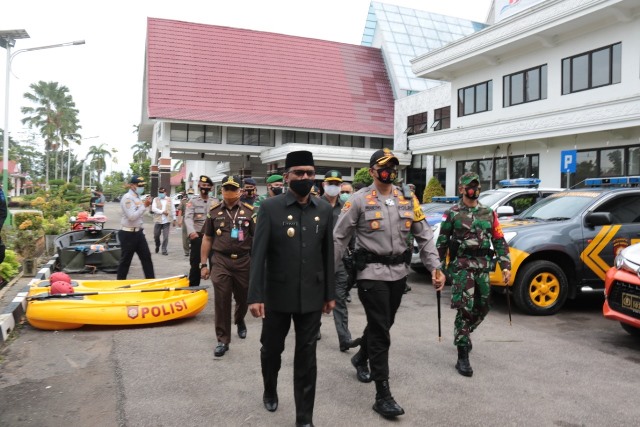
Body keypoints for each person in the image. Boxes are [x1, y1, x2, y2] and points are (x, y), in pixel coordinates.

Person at [333, 148, 444, 418]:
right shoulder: (358, 200)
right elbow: (339, 239)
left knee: (383, 323)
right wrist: (326, 279)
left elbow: (424, 234)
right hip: (370, 274)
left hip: (398, 275)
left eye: (393, 166)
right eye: (384, 166)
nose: (390, 171)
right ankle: (382, 394)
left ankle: (360, 357)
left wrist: (435, 267)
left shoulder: (408, 199)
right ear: (372, 171)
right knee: (382, 331)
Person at [248, 150, 335, 427]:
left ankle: (304, 419)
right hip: (277, 296)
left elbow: (328, 253)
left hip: (311, 296)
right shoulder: (270, 208)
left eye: (310, 173)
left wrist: (330, 293)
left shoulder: (323, 209)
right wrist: (255, 295)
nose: (305, 177)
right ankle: (270, 387)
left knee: (307, 357)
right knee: (272, 350)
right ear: (287, 177)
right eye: (299, 173)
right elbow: (258, 254)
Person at [436, 171, 511, 378]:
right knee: (465, 308)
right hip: (462, 267)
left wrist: (506, 265)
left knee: (484, 306)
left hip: (483, 266)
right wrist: (439, 270)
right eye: (470, 185)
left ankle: (465, 332)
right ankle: (462, 356)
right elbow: (442, 244)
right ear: (461, 189)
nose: (474, 189)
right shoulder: (452, 213)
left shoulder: (488, 212)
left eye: (477, 185)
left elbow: (498, 240)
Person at [200, 175, 255, 357]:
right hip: (221, 261)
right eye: (226, 188)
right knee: (222, 300)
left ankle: (239, 320)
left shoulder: (250, 212)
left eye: (233, 189)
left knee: (243, 297)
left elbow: (256, 239)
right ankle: (222, 340)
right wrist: (203, 264)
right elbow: (207, 238)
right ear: (221, 190)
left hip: (243, 261)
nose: (229, 192)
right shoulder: (213, 212)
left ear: (240, 191)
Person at [322, 170, 359, 352]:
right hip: (318, 262)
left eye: (338, 184)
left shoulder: (346, 207)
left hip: (340, 261)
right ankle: (314, 330)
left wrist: (352, 252)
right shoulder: (315, 205)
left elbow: (350, 231)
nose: (335, 187)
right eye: (331, 183)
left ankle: (344, 338)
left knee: (340, 300)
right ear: (324, 184)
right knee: (315, 299)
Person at [116, 175, 155, 280]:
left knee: (146, 258)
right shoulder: (127, 198)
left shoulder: (137, 197)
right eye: (139, 185)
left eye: (142, 185)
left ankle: (151, 283)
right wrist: (144, 206)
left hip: (138, 233)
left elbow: (139, 218)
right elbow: (132, 216)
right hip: (128, 234)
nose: (141, 187)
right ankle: (120, 285)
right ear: (132, 185)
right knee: (125, 262)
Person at [185, 176, 215, 286]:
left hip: (212, 238)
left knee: (216, 265)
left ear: (211, 188)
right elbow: (188, 217)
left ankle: (219, 291)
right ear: (199, 186)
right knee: (195, 265)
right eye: (203, 185)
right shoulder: (192, 201)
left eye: (207, 186)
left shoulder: (215, 201)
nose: (205, 188)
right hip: (198, 237)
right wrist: (191, 232)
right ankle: (193, 290)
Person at [151, 187, 176, 256]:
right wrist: (162, 212)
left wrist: (174, 219)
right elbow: (153, 209)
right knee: (156, 235)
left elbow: (173, 209)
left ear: (165, 192)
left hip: (167, 221)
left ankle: (164, 249)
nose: (160, 194)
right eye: (159, 192)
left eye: (162, 192)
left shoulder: (169, 200)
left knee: (166, 236)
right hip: (158, 220)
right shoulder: (156, 199)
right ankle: (157, 244)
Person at [180, 188, 194, 256]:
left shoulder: (195, 201)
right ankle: (186, 251)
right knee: (185, 236)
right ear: (187, 194)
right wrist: (179, 220)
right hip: (185, 220)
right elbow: (180, 210)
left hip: (194, 220)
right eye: (189, 194)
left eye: (191, 194)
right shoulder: (184, 201)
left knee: (193, 235)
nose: (190, 195)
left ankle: (193, 248)